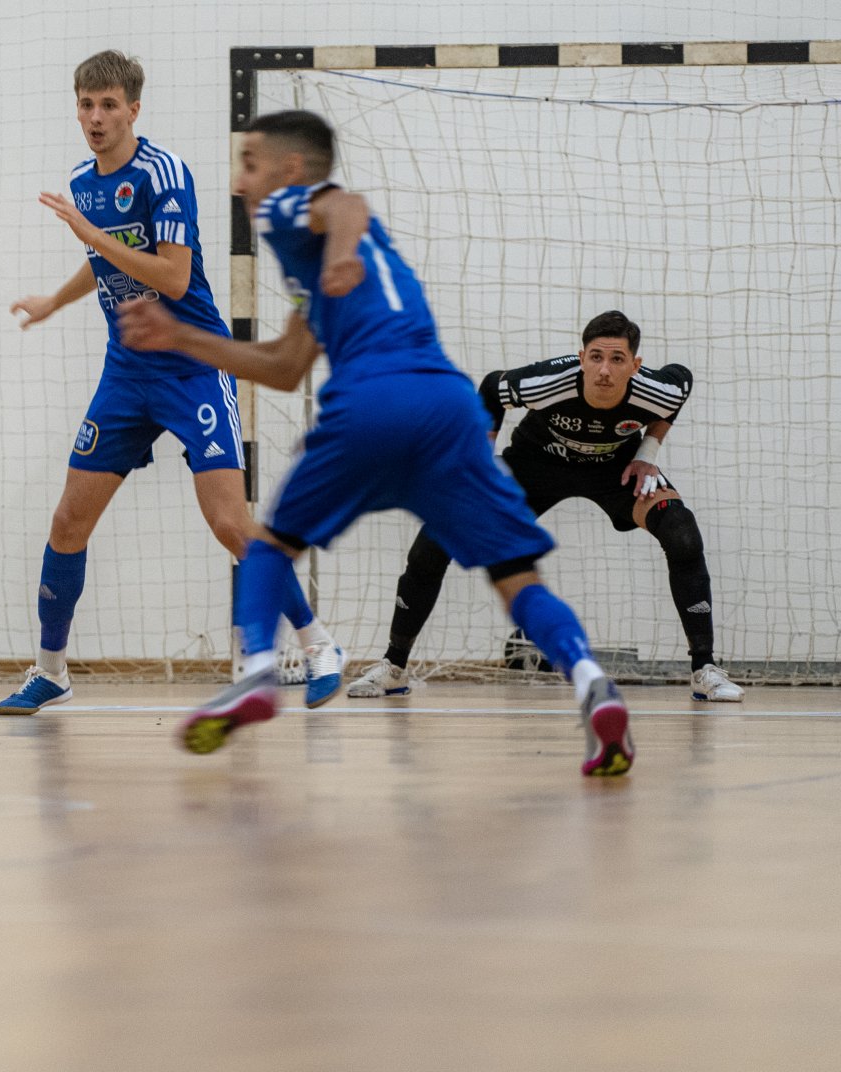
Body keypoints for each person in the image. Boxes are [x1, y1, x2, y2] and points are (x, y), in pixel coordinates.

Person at [119, 109, 633, 776]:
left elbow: (347, 204)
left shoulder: (291, 212)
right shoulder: (341, 264)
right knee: (514, 577)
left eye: (249, 163)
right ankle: (592, 683)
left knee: (270, 545)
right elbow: (282, 365)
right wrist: (181, 337)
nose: (239, 181)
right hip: (448, 408)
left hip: (371, 403)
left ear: (289, 170)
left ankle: (258, 671)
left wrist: (332, 257)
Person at [0, 51, 341, 717]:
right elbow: (102, 260)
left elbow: (174, 277)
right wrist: (54, 299)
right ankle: (51, 670)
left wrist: (89, 231)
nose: (94, 118)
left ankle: (318, 644)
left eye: (107, 105)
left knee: (228, 522)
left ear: (133, 109)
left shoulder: (164, 171)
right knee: (69, 520)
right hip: (127, 371)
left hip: (191, 366)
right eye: (85, 104)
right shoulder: (83, 178)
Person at [349, 311, 739, 701]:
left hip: (614, 472)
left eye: (617, 359)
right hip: (535, 467)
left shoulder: (655, 390)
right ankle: (394, 666)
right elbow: (491, 388)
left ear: (635, 366)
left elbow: (680, 382)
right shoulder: (548, 383)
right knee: (435, 539)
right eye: (596, 357)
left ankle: (704, 668)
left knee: (682, 534)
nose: (605, 369)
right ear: (581, 357)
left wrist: (648, 451)